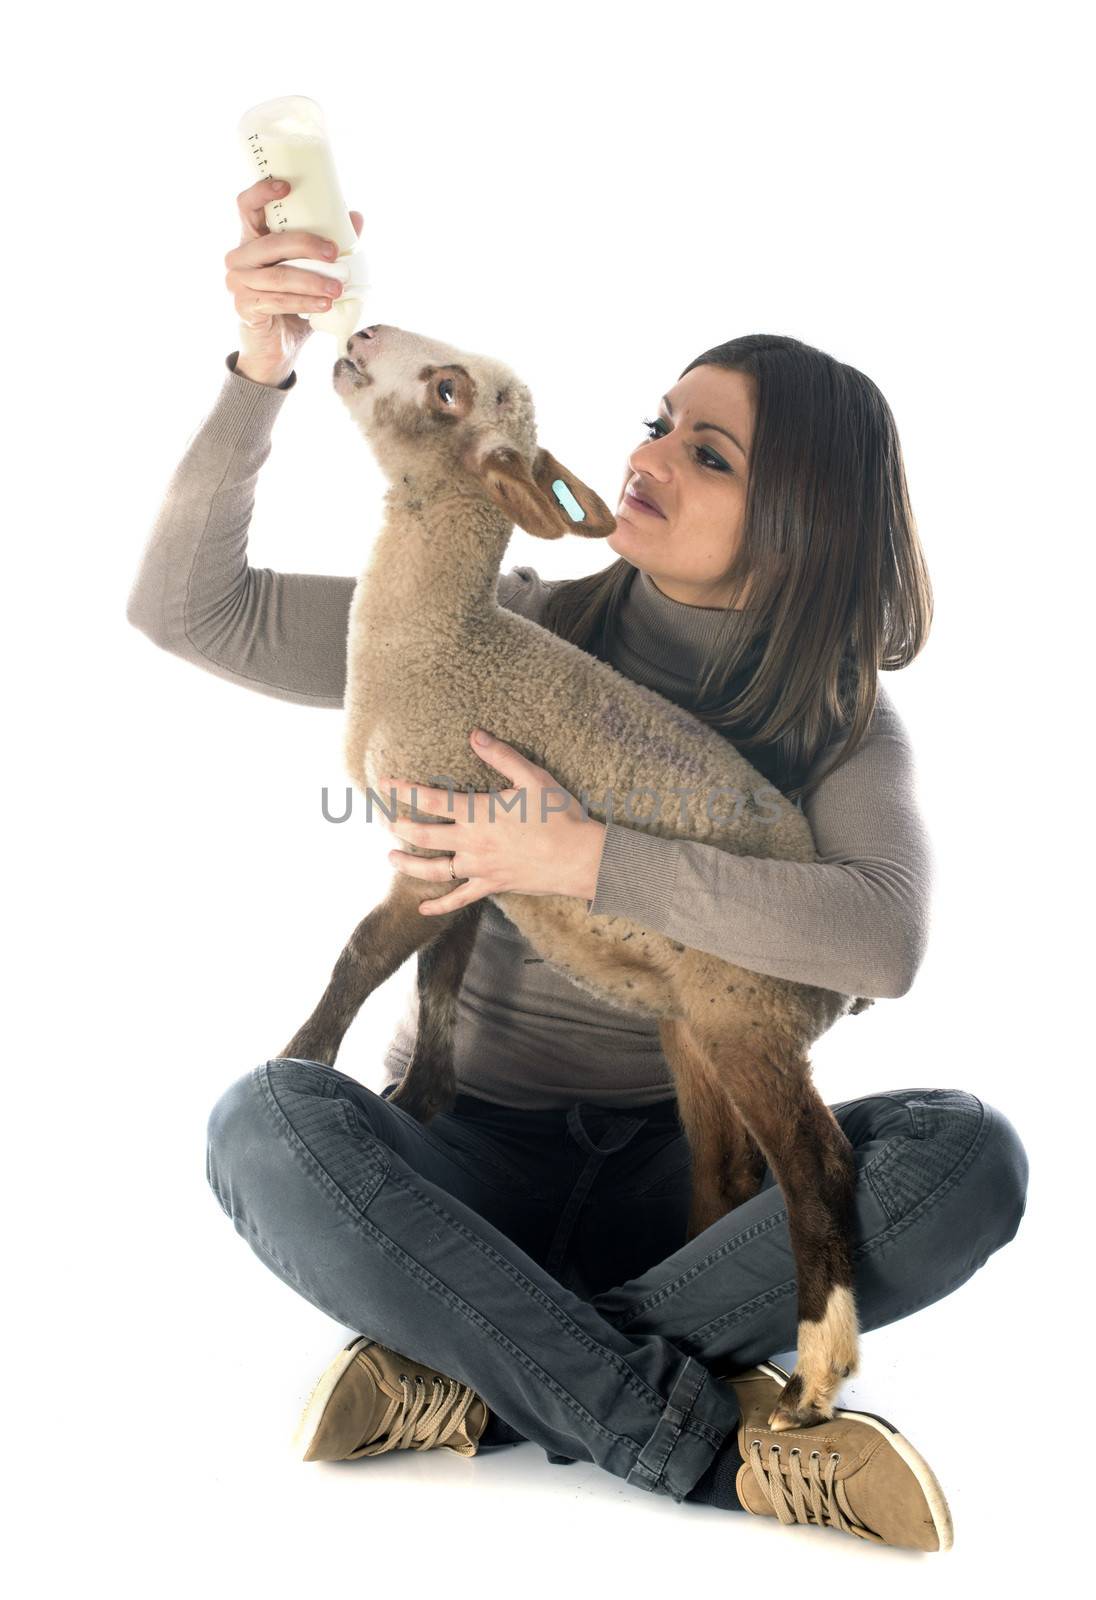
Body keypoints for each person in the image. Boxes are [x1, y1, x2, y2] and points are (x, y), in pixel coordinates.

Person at [126, 176, 1029, 1552]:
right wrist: (264, 367)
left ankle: (485, 1366)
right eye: (661, 422)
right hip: (461, 1163)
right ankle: (710, 1448)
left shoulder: (838, 726)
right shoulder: (497, 625)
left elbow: (884, 939)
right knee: (267, 1125)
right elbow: (194, 612)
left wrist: (583, 853)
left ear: (803, 527)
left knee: (968, 1157)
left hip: (690, 1197)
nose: (653, 454)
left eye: (711, 455)